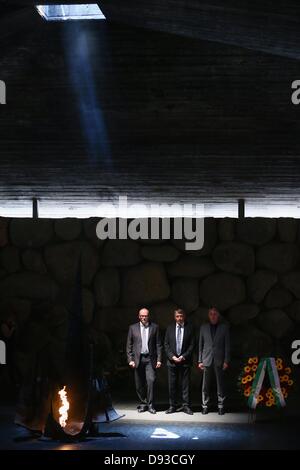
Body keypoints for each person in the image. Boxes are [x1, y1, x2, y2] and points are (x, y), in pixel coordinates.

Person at [126, 308, 162, 414]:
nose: (144, 317)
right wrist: (130, 360)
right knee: (139, 383)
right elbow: (129, 345)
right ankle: (143, 403)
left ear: (148, 316)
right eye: (142, 316)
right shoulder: (132, 328)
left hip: (150, 359)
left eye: (145, 316)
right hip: (138, 359)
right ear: (139, 316)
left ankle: (151, 405)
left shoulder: (155, 327)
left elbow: (158, 344)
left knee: (151, 381)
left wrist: (159, 359)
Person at [198, 306, 230, 415]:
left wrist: (226, 360)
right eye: (211, 314)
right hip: (206, 359)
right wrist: (199, 361)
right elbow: (200, 345)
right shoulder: (203, 327)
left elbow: (227, 345)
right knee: (205, 385)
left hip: (219, 360)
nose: (213, 316)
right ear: (208, 316)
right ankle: (205, 405)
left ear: (218, 316)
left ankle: (221, 405)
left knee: (220, 384)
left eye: (215, 314)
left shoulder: (224, 328)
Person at [164, 309, 195, 415]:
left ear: (184, 316)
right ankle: (172, 406)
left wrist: (183, 356)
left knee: (185, 385)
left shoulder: (190, 328)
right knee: (172, 385)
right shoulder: (169, 328)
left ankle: (186, 406)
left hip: (185, 361)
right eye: (177, 316)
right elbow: (166, 344)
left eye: (181, 316)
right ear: (174, 317)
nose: (179, 318)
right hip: (172, 361)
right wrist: (172, 356)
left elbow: (192, 345)